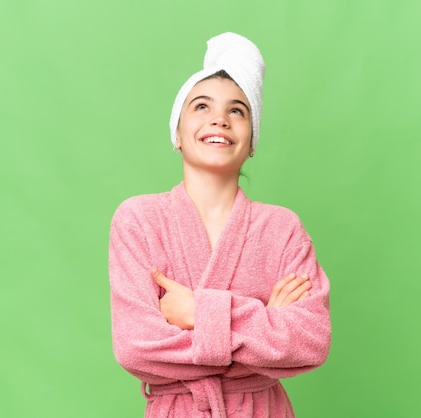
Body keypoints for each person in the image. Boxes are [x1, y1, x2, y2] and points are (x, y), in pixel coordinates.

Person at [109, 32, 331, 418]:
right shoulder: (138, 220)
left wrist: (199, 312)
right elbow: (136, 346)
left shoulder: (282, 229)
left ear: (251, 141)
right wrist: (265, 328)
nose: (219, 119)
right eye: (201, 106)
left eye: (237, 111)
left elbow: (310, 341)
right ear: (177, 134)